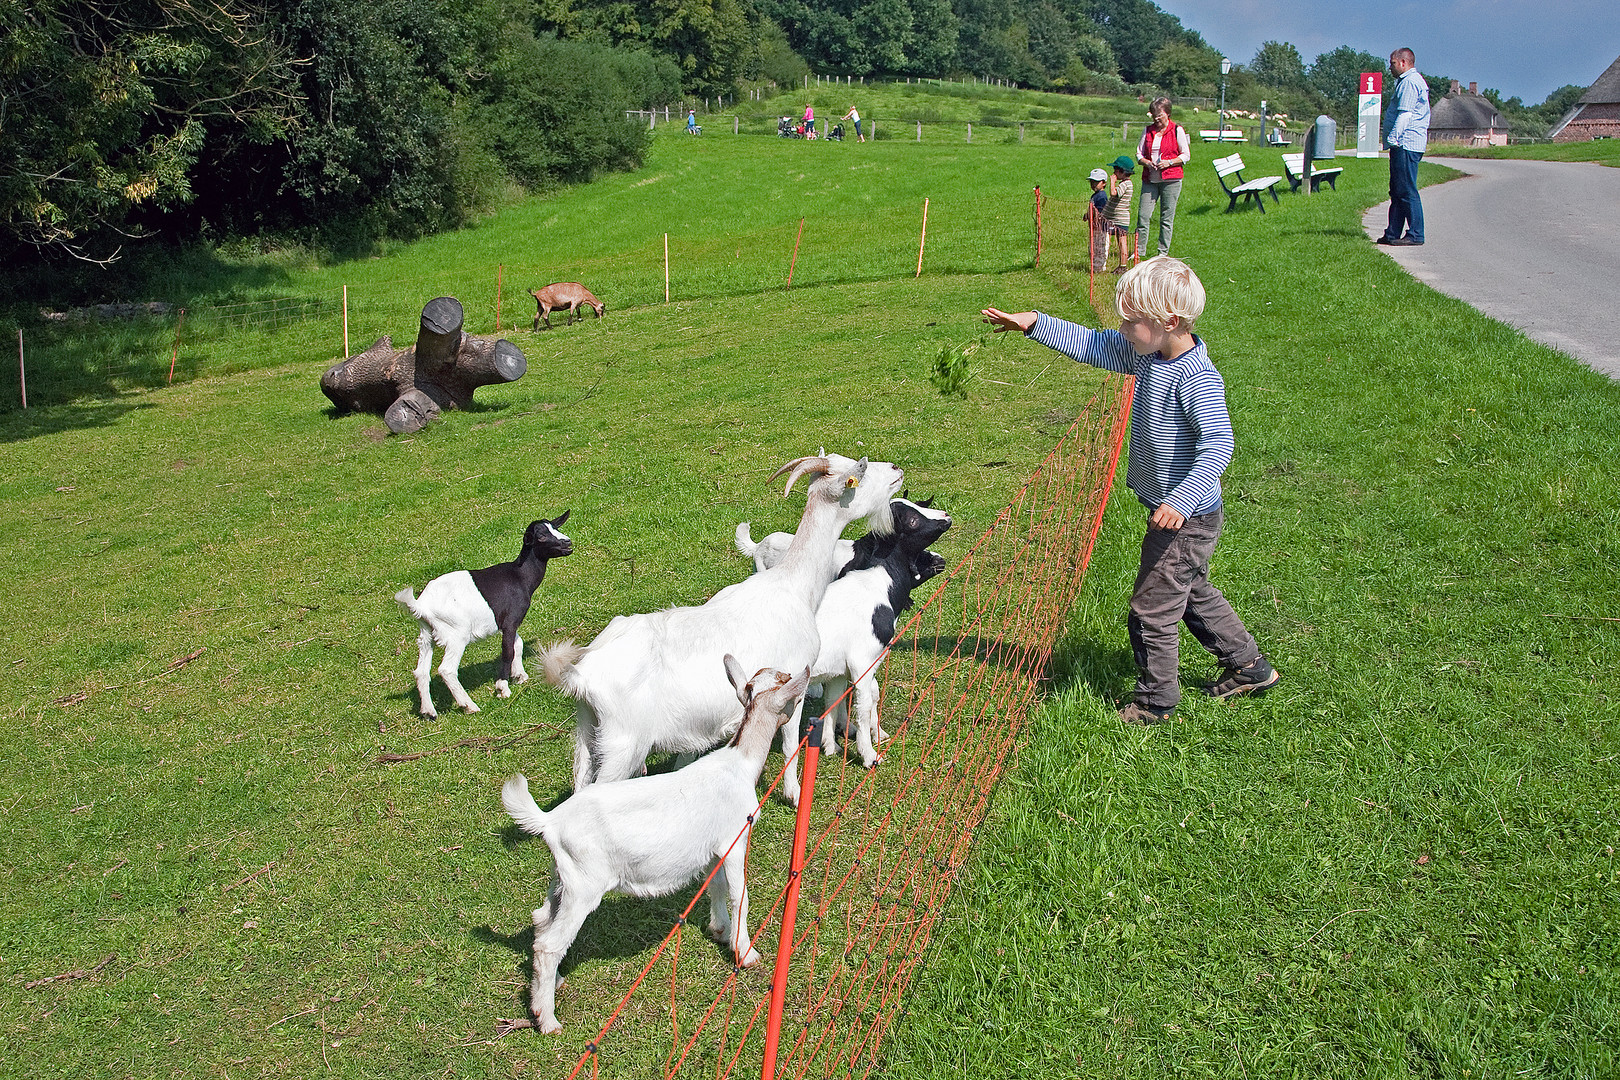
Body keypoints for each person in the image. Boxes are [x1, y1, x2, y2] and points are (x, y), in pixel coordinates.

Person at [980, 258, 1281, 724]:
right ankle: (1249, 666)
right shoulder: (1147, 354)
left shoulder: (1195, 377)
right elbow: (1093, 345)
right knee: (1190, 589)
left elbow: (1219, 443)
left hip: (1188, 516)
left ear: (1169, 323)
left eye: (1130, 321)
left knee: (1152, 608)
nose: (1121, 329)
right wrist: (1034, 323)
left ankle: (1155, 701)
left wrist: (1180, 501)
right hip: (1179, 513)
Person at [1378, 48, 1430, 246]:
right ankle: (1392, 232)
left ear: (1403, 62)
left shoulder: (1409, 82)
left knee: (1407, 190)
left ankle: (1416, 234)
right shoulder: (1408, 81)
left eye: (1391, 63)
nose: (1389, 67)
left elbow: (1405, 115)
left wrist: (1393, 137)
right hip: (1404, 143)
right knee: (1398, 190)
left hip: (1406, 143)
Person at [1135, 98, 1190, 262]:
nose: (1156, 119)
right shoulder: (1147, 131)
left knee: (1166, 217)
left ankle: (1162, 253)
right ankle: (1139, 251)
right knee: (1143, 216)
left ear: (1168, 113)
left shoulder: (1177, 130)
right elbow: (1139, 154)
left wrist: (1169, 162)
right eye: (1153, 115)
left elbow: (1186, 155)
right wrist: (1146, 162)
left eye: (1159, 115)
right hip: (1150, 179)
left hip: (1171, 179)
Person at [1105, 155, 1135, 273]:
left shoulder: (1125, 184)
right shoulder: (1125, 183)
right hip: (1115, 218)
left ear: (1122, 171)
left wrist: (1112, 182)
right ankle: (1121, 265)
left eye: (1115, 170)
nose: (1113, 173)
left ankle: (1123, 265)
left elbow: (1113, 193)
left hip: (1119, 219)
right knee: (1120, 240)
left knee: (1122, 241)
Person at [1086, 167, 1111, 272]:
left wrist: (1095, 217)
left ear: (1104, 183)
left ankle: (1100, 268)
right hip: (1094, 227)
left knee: (1100, 247)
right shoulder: (1096, 195)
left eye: (1096, 182)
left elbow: (1101, 212)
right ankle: (1095, 266)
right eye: (1092, 182)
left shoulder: (1102, 197)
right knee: (1093, 247)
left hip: (1101, 227)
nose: (1093, 185)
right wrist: (1087, 215)